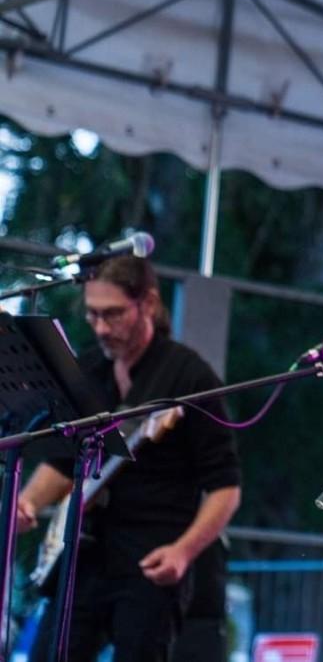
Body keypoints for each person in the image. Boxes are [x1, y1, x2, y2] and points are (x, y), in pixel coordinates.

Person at [17, 255, 241, 662]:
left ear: (149, 303)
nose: (102, 327)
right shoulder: (87, 369)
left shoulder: (189, 376)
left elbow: (225, 487)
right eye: (93, 315)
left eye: (114, 314)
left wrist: (184, 551)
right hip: (84, 555)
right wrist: (29, 501)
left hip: (151, 559)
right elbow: (64, 462)